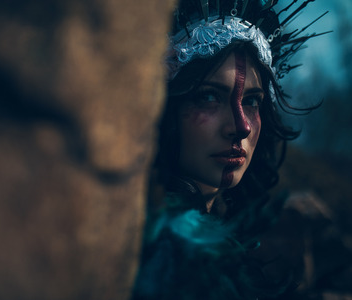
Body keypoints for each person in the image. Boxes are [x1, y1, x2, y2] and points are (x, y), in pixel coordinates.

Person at [132, 1, 326, 299]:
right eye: (209, 96)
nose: (242, 127)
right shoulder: (147, 249)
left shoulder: (238, 237)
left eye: (252, 101)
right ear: (167, 107)